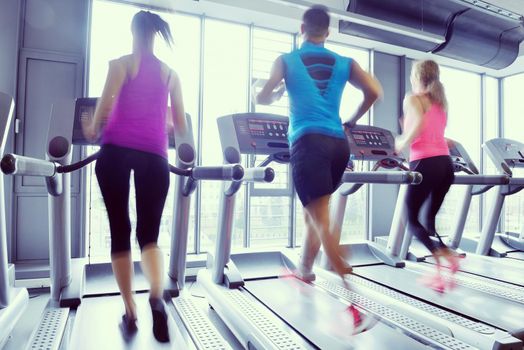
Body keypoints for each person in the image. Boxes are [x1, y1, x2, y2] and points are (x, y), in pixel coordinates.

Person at [255, 5, 382, 329]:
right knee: (316, 212)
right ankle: (305, 270)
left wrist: (279, 89)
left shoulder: (286, 60)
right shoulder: (345, 63)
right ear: (328, 32)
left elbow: (263, 98)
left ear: (302, 28)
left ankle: (356, 304)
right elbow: (375, 92)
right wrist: (352, 119)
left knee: (322, 221)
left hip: (308, 142)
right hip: (339, 145)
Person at [83, 10, 188, 342]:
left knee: (120, 229)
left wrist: (90, 127)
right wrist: (160, 122)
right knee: (149, 236)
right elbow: (180, 126)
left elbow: (102, 111)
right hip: (155, 158)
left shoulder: (121, 64)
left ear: (132, 32)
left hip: (114, 153)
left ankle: (130, 308)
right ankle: (156, 294)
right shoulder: (171, 74)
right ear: (155, 35)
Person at [395, 60, 460, 293]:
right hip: (445, 165)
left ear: (416, 77)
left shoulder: (412, 98)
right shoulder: (441, 103)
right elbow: (437, 132)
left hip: (426, 162)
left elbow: (420, 126)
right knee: (428, 221)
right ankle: (445, 263)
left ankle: (443, 261)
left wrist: (401, 140)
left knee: (411, 218)